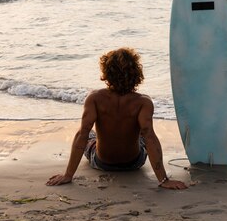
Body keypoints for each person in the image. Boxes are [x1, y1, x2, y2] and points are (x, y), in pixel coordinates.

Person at [47, 48, 187, 190]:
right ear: (136, 73)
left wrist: (68, 175)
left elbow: (82, 134)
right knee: (145, 134)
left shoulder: (94, 98)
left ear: (106, 72)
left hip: (102, 163)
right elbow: (149, 137)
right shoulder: (143, 102)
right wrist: (163, 180)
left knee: (88, 133)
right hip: (133, 163)